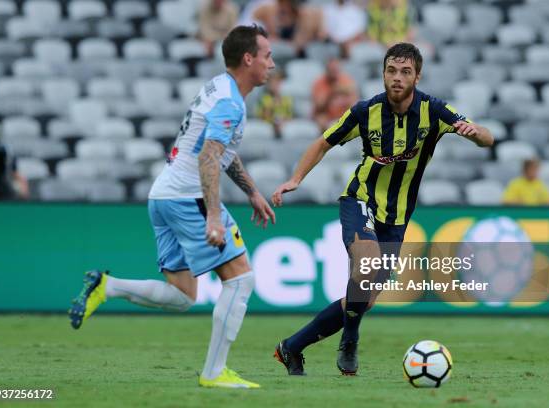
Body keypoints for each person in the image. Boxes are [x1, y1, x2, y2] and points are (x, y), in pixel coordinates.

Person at [69, 25, 276, 389]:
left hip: (162, 195)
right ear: (249, 59)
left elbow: (220, 152)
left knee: (183, 296)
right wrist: (213, 216)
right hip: (188, 198)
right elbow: (209, 157)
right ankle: (214, 373)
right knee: (242, 279)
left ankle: (107, 286)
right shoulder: (230, 102)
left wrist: (252, 192)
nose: (272, 64)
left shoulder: (218, 87)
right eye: (267, 56)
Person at [271, 43, 493, 376]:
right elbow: (322, 142)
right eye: (391, 70)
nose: (397, 78)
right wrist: (295, 178)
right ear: (383, 73)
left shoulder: (434, 111)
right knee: (366, 262)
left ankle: (291, 348)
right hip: (360, 198)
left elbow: (488, 139)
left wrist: (475, 135)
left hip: (398, 217)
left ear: (417, 75)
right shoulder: (366, 111)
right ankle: (349, 340)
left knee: (363, 300)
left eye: (405, 72)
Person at [312, 57, 358, 131]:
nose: (334, 73)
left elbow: (354, 103)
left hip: (343, 115)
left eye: (336, 70)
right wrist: (331, 92)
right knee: (321, 120)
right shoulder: (319, 83)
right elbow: (319, 106)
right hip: (327, 116)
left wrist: (343, 92)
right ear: (326, 70)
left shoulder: (346, 80)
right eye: (331, 70)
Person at [254, 69, 293, 137]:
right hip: (269, 123)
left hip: (283, 123)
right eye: (272, 83)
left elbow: (289, 115)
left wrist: (284, 120)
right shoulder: (264, 99)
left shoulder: (287, 99)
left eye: (278, 83)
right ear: (268, 85)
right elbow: (261, 115)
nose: (275, 85)